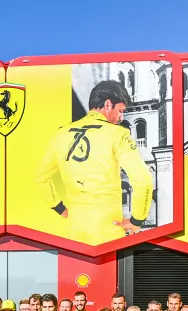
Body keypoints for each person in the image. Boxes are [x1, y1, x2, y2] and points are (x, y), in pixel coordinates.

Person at [35, 80, 152, 241]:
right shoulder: (118, 134)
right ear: (108, 104)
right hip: (108, 233)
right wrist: (137, 220)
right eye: (121, 111)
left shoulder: (60, 134)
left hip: (73, 231)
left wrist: (59, 207)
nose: (121, 117)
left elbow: (41, 178)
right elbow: (143, 180)